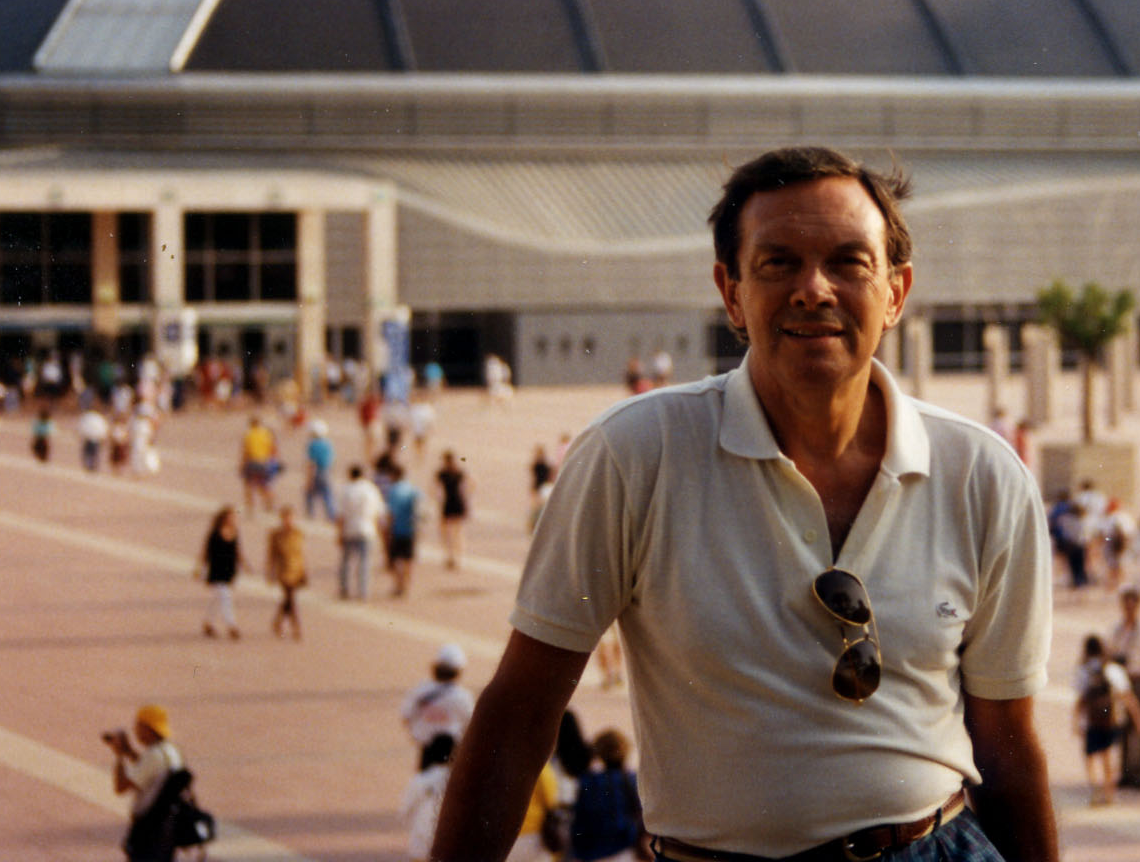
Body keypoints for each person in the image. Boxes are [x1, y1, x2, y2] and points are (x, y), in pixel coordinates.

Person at [431, 146, 1056, 862]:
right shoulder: (635, 454)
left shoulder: (980, 475)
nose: (813, 289)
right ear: (730, 292)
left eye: (848, 263)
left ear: (895, 291)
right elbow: (519, 712)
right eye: (777, 263)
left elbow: (1007, 743)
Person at [104, 704, 185, 862]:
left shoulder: (153, 755)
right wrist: (129, 751)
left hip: (149, 828)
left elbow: (120, 787)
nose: (135, 730)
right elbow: (148, 770)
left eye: (138, 726)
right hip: (168, 825)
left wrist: (119, 756)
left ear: (148, 729)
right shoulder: (171, 750)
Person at [1108, 586, 1140, 790]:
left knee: (1139, 727)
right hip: (1122, 679)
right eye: (1126, 604)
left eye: (1133, 604)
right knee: (1122, 726)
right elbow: (1110, 653)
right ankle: (1126, 772)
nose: (1129, 608)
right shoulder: (1116, 629)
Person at [569, 729, 647, 862]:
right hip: (626, 849)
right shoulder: (634, 780)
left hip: (594, 852)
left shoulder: (589, 781)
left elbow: (580, 821)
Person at [1071, 634, 1132, 806]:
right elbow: (1126, 695)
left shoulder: (1083, 670)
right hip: (1111, 719)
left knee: (1090, 757)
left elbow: (1080, 700)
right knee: (1108, 757)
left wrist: (1075, 722)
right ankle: (1110, 793)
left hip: (1091, 721)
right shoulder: (1113, 669)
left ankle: (1095, 791)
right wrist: (1137, 717)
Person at [403, 644, 477, 765]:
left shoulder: (421, 690)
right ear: (458, 671)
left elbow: (406, 716)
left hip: (427, 752)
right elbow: (470, 723)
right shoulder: (462, 696)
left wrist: (418, 733)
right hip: (452, 754)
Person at [337, 464, 387, 601]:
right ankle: (363, 591)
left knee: (346, 561)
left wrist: (339, 533)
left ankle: (344, 588)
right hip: (367, 529)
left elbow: (340, 515)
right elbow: (380, 512)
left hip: (349, 529)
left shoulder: (346, 489)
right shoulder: (371, 489)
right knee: (365, 562)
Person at [404, 734, 458, 862]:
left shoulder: (420, 779)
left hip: (420, 845)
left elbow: (406, 810)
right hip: (448, 845)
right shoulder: (457, 780)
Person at [198, 506, 249, 639]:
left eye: (233, 517)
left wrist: (244, 564)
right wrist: (200, 568)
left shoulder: (235, 532)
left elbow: (238, 550)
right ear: (223, 518)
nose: (232, 519)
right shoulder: (214, 533)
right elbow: (205, 551)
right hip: (216, 570)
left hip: (229, 570)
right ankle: (232, 626)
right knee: (225, 597)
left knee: (217, 598)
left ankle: (208, 623)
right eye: (230, 517)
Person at [266, 505, 307, 639]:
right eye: (285, 518)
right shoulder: (276, 535)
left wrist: (304, 571)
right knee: (290, 598)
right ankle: (296, 627)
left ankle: (278, 621)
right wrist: (270, 572)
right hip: (283, 570)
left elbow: (301, 554)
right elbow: (271, 555)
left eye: (290, 518)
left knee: (288, 599)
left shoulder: (298, 533)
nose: (288, 521)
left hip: (296, 570)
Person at [385, 466, 424, 598]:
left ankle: (399, 585)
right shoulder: (412, 489)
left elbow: (391, 513)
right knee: (409, 560)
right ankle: (407, 586)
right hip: (411, 529)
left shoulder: (393, 490)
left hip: (397, 529)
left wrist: (388, 530)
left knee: (397, 559)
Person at [435, 449, 473, 570]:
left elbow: (435, 490)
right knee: (457, 533)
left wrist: (438, 501)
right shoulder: (459, 472)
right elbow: (472, 484)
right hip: (458, 502)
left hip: (448, 503)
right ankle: (457, 557)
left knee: (448, 533)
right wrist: (467, 497)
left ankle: (452, 555)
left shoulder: (442, 473)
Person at [239, 415, 278, 514]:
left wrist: (241, 465)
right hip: (263, 463)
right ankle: (269, 504)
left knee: (249, 486)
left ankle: (250, 508)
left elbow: (245, 452)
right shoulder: (266, 434)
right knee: (264, 485)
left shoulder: (248, 434)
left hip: (252, 462)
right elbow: (272, 450)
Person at [303, 419, 336, 520]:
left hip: (317, 472)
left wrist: (309, 479)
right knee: (327, 495)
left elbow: (311, 463)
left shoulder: (312, 444)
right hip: (327, 472)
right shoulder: (328, 444)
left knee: (309, 494)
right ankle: (331, 516)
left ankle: (310, 515)